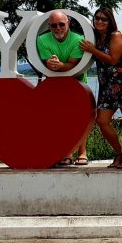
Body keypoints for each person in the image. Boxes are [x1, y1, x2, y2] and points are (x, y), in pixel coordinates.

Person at [79, 7, 122, 169]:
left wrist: (92, 50)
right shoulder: (96, 37)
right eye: (97, 18)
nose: (99, 21)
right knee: (102, 120)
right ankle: (120, 152)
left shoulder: (115, 36)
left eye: (104, 19)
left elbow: (113, 59)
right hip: (107, 85)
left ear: (110, 21)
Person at [35, 10, 89, 166]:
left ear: (68, 23)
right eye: (54, 25)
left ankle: (82, 152)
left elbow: (73, 65)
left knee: (80, 118)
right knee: (61, 119)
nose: (58, 28)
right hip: (56, 84)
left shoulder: (78, 40)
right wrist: (52, 63)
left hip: (78, 82)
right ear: (49, 26)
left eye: (61, 24)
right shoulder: (42, 39)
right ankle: (66, 153)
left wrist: (59, 65)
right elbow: (47, 63)